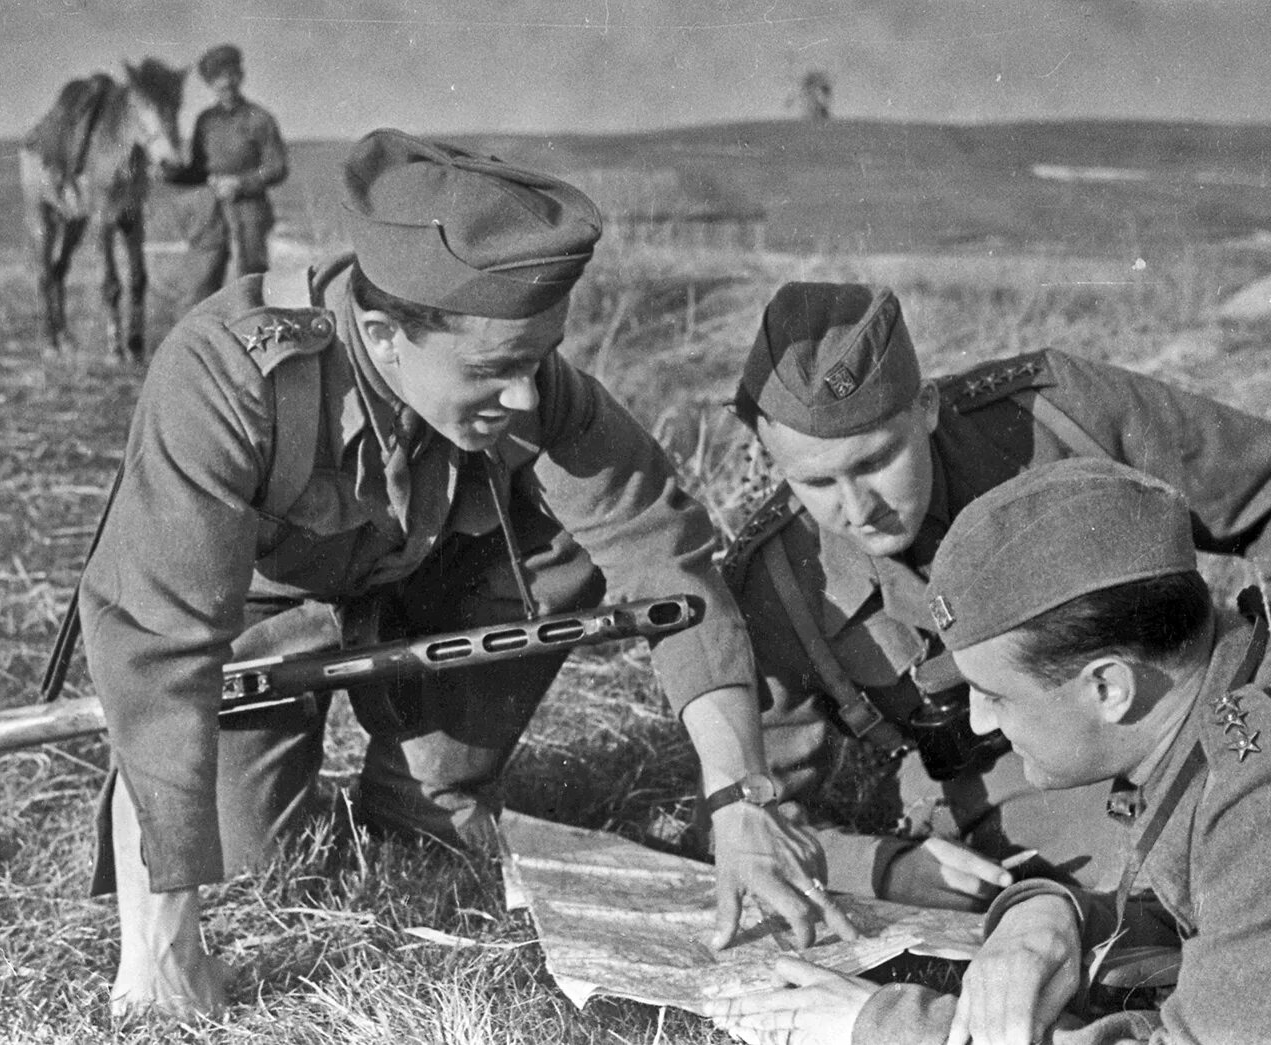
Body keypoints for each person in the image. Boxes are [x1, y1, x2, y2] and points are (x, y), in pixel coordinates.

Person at [81, 128, 855, 1020]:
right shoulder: (228, 376)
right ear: (382, 333)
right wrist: (166, 944)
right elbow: (157, 644)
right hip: (259, 619)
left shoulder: (522, 382)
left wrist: (739, 796)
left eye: (539, 359)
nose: (528, 397)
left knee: (562, 549)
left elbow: (664, 554)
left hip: (418, 581)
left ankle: (423, 790)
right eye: (495, 371)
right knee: (248, 856)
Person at [721, 281, 1271, 909]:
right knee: (1160, 881)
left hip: (1174, 701)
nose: (857, 506)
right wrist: (884, 869)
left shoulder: (1060, 415)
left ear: (926, 405)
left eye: (874, 461)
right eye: (816, 482)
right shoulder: (778, 577)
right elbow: (741, 810)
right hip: (1018, 782)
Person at [705, 458, 1271, 1045]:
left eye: (995, 693)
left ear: (1109, 686)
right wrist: (1055, 912)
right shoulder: (1242, 682)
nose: (979, 719)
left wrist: (886, 1026)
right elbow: (1229, 917)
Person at [163, 43, 289, 309]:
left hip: (250, 211)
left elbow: (277, 166)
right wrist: (170, 173)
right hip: (211, 212)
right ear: (210, 84)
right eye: (218, 78)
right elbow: (198, 170)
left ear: (239, 76)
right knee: (202, 285)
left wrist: (241, 183)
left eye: (231, 75)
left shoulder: (260, 118)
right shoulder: (205, 121)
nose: (225, 83)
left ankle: (254, 341)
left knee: (251, 283)